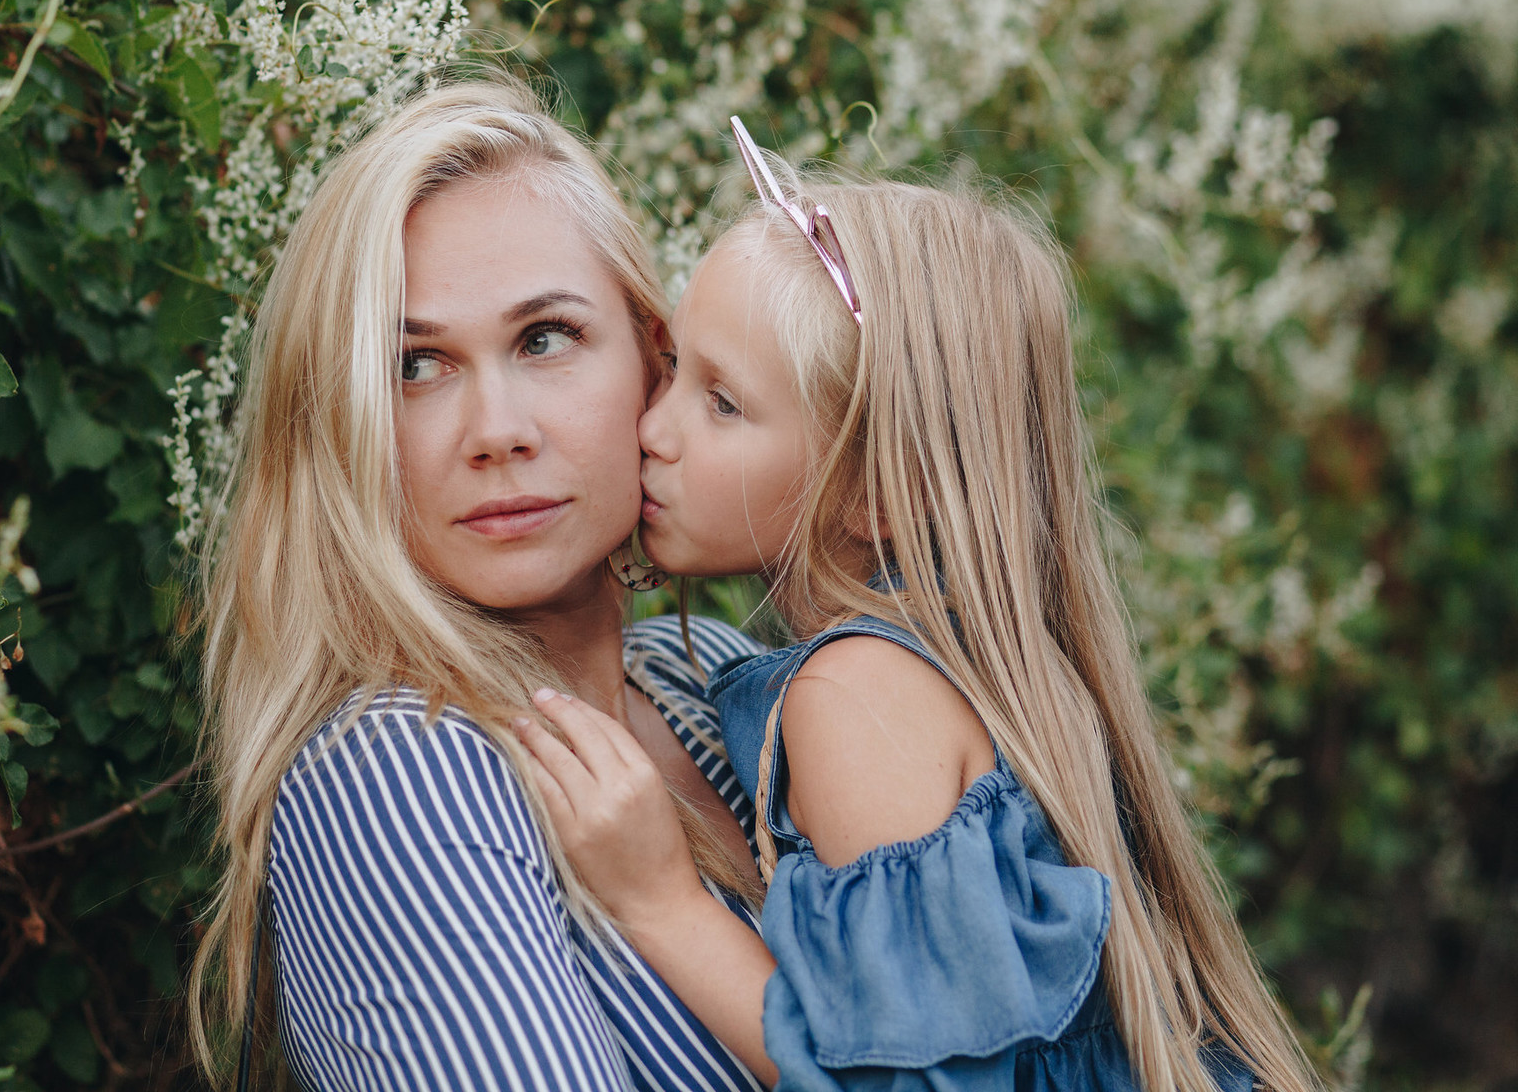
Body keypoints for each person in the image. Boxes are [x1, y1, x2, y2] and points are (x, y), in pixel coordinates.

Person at [517, 119, 1321, 1092]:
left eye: (722, 404)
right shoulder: (932, 663)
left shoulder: (857, 697)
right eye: (674, 369)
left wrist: (661, 905)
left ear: (876, 493)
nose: (652, 428)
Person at [187, 81, 769, 1092]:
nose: (498, 430)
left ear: (652, 357)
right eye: (417, 366)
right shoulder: (398, 770)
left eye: (545, 339)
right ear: (338, 425)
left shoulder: (711, 677)